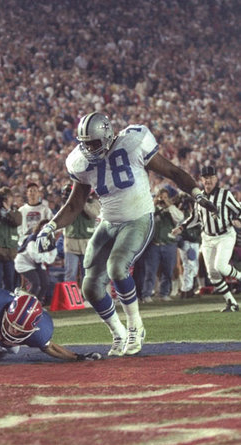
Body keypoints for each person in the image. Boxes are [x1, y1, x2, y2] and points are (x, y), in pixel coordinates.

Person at [36, 112, 218, 357]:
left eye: (94, 142)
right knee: (89, 287)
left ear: (109, 135)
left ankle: (136, 326)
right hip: (109, 221)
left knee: (117, 266)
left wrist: (197, 193)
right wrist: (50, 227)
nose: (89, 148)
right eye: (85, 143)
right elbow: (74, 204)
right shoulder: (81, 161)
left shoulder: (133, 144)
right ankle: (118, 332)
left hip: (138, 218)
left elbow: (172, 172)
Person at [0, 289, 101, 366]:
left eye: (19, 329)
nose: (13, 330)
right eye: (11, 324)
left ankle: (3, 346)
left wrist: (77, 357)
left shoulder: (40, 331)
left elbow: (51, 347)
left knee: (13, 349)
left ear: (32, 328)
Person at [172, 164, 241, 312]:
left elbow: (238, 209)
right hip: (208, 238)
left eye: (211, 177)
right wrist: (182, 227)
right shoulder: (199, 198)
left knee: (220, 266)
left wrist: (238, 220)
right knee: (213, 273)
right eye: (205, 178)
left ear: (216, 178)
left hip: (225, 235)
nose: (208, 180)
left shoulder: (225, 194)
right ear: (201, 179)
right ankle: (232, 303)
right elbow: (195, 218)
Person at [140, 188, 184, 302]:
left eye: (165, 197)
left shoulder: (172, 210)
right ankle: (147, 294)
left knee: (168, 271)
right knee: (150, 271)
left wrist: (169, 205)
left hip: (169, 244)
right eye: (161, 197)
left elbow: (180, 218)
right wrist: (154, 203)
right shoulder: (152, 209)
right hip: (154, 245)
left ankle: (164, 293)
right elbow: (146, 218)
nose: (162, 200)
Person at [61, 184, 100, 284]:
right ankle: (70, 298)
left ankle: (86, 298)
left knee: (87, 273)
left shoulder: (94, 203)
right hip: (71, 242)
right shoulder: (69, 204)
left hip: (87, 242)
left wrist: (81, 202)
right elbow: (64, 216)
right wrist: (70, 201)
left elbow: (93, 214)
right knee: (70, 273)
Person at [0, 186, 22, 291]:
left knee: (10, 284)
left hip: (10, 254)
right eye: (3, 198)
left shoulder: (15, 212)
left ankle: (9, 306)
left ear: (12, 198)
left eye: (8, 197)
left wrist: (8, 210)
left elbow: (17, 222)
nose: (5, 200)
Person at [15, 219, 57, 305]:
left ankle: (37, 302)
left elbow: (51, 258)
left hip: (37, 264)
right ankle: (26, 304)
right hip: (24, 263)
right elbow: (35, 256)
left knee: (45, 283)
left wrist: (43, 258)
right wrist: (45, 257)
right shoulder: (33, 238)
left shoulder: (51, 241)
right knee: (36, 283)